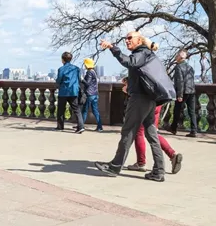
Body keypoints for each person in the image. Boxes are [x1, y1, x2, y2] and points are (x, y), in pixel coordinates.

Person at [95, 32, 166, 182]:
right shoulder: (146, 54)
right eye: (126, 38)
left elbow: (129, 62)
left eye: (130, 38)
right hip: (148, 98)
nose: (127, 41)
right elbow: (141, 73)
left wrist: (112, 48)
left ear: (139, 40)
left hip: (140, 99)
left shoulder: (141, 52)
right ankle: (159, 171)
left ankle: (115, 166)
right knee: (151, 134)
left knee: (128, 131)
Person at [170, 50, 198, 137]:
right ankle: (194, 130)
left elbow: (180, 82)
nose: (176, 57)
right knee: (192, 111)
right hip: (191, 91)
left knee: (177, 110)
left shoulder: (178, 67)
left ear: (180, 57)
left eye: (177, 55)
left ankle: (173, 128)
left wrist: (180, 95)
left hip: (183, 92)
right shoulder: (190, 67)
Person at [55, 52, 84, 133]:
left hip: (64, 91)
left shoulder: (61, 69)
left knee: (61, 109)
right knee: (76, 109)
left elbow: (59, 79)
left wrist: (57, 84)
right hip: (74, 91)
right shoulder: (76, 68)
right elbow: (78, 79)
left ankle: (60, 126)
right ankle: (81, 126)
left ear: (62, 60)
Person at [81, 58, 103, 131]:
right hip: (95, 94)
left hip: (89, 94)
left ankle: (81, 125)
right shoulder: (94, 71)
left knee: (84, 110)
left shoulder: (89, 72)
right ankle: (100, 127)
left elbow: (87, 83)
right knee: (95, 110)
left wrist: (81, 79)